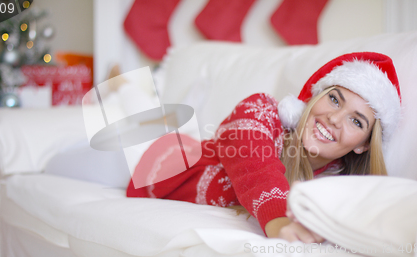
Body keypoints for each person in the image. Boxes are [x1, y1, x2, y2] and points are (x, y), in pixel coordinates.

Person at [126, 52, 401, 243]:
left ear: (364, 146)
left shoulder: (336, 185)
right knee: (120, 115)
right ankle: (128, 91)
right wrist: (279, 222)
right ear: (314, 98)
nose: (334, 118)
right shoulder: (261, 110)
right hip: (149, 159)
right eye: (334, 100)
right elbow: (255, 165)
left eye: (356, 121)